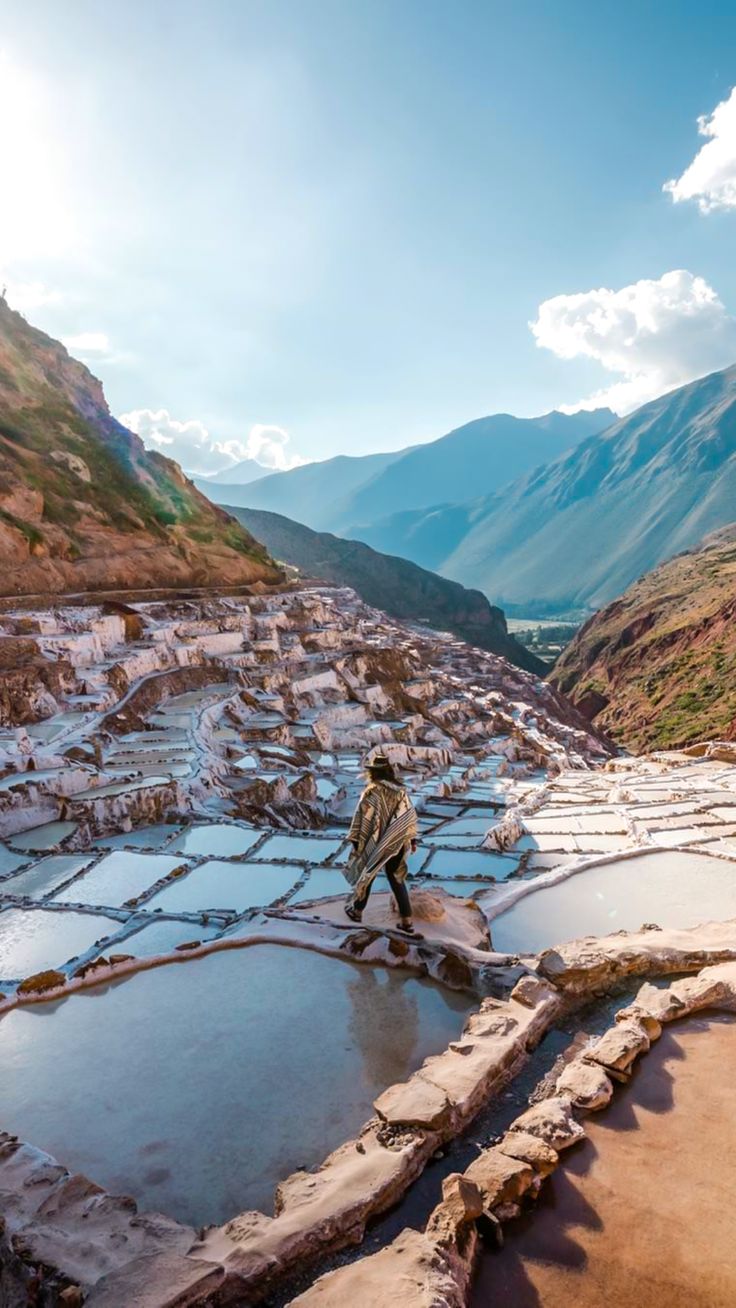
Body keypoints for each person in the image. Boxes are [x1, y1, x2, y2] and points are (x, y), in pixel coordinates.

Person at [344, 752, 419, 934]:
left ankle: (357, 911)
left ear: (373, 773)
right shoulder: (401, 792)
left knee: (367, 873)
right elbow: (408, 817)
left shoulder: (371, 792)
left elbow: (362, 818)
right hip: (397, 841)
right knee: (396, 878)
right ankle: (406, 920)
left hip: (374, 841)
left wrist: (356, 840)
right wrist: (412, 839)